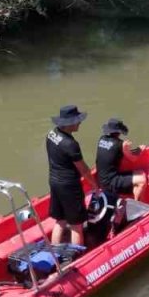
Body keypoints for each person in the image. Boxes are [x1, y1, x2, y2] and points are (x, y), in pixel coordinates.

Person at [46, 105, 95, 246]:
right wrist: (94, 185)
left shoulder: (51, 134)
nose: (80, 122)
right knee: (76, 225)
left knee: (60, 220)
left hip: (54, 181)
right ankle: (78, 258)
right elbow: (83, 169)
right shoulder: (71, 144)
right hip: (69, 186)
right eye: (77, 120)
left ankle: (55, 251)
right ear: (69, 123)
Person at [95, 118, 147, 202]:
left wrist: (126, 149)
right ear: (119, 132)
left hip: (100, 179)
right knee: (142, 180)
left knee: (140, 172)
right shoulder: (120, 144)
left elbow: (112, 151)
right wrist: (139, 150)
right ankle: (137, 206)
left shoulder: (102, 139)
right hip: (110, 182)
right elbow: (133, 159)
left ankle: (135, 199)